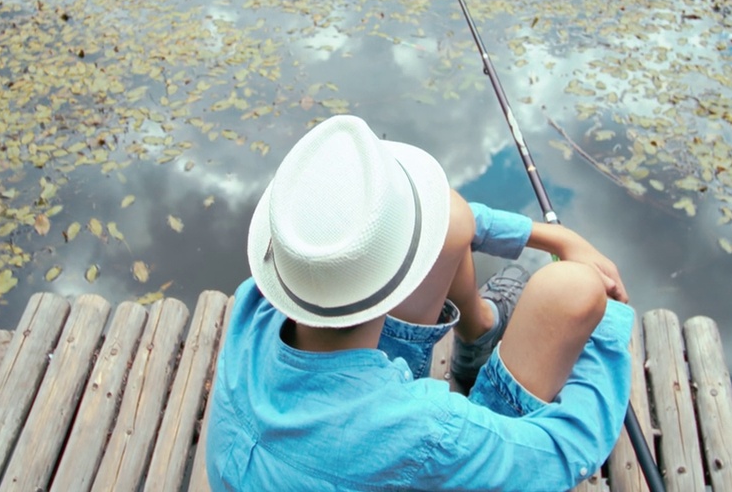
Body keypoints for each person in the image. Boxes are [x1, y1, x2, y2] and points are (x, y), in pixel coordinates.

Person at [205, 115, 633, 491]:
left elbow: (440, 215)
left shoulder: (257, 301)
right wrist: (608, 316)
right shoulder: (425, 432)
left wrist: (548, 235)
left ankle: (479, 336)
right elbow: (564, 452)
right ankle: (489, 356)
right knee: (574, 292)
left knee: (451, 218)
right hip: (384, 442)